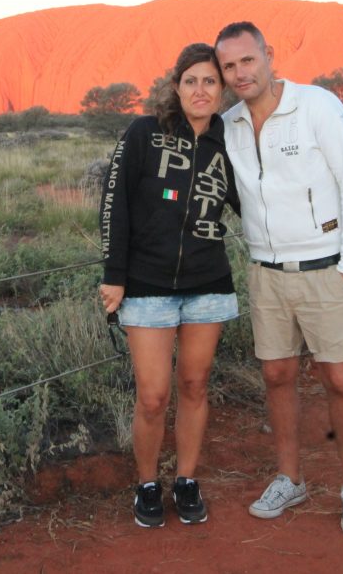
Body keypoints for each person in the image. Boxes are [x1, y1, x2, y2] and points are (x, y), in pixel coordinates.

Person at [214, 21, 343, 538]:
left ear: (268, 56)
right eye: (229, 66)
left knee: (340, 379)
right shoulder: (230, 124)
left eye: (247, 60)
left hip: (325, 268)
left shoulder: (317, 106)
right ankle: (291, 477)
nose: (240, 73)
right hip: (266, 271)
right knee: (278, 377)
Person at [98, 42, 240, 528]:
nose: (200, 90)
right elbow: (114, 203)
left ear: (222, 90)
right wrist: (114, 275)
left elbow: (257, 203)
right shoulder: (144, 133)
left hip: (209, 284)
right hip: (147, 285)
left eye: (210, 81)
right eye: (191, 81)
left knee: (196, 385)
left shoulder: (231, 145)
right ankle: (146, 484)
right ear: (176, 86)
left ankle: (186, 479)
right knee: (154, 395)